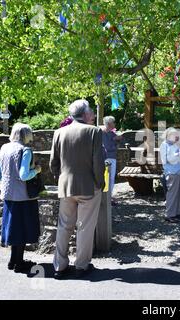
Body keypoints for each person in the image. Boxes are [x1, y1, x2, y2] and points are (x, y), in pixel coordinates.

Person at [50, 99, 105, 279]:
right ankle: (81, 266)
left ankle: (59, 265)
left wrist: (61, 177)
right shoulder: (94, 132)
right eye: (91, 111)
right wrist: (100, 183)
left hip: (66, 185)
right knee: (85, 227)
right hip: (89, 187)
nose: (93, 114)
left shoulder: (59, 132)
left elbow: (53, 164)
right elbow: (98, 163)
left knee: (64, 226)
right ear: (85, 114)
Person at [0, 123, 42, 273]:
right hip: (24, 197)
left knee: (14, 229)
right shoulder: (25, 150)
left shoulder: (4, 148)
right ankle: (19, 263)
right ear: (26, 135)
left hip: (8, 195)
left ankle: (13, 260)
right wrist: (37, 170)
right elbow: (24, 175)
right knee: (22, 229)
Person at [159, 127, 180, 223]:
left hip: (178, 172)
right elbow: (167, 160)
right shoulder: (164, 145)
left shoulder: (175, 145)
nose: (176, 137)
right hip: (171, 172)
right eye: (174, 135)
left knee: (178, 193)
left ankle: (176, 212)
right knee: (172, 194)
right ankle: (169, 215)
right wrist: (179, 154)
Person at [102, 116, 123, 206]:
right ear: (109, 124)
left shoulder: (112, 133)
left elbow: (119, 142)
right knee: (106, 178)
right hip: (105, 158)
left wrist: (118, 139)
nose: (114, 124)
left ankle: (109, 197)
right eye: (113, 122)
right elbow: (107, 147)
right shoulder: (101, 133)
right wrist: (114, 141)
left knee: (111, 179)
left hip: (112, 158)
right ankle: (105, 198)